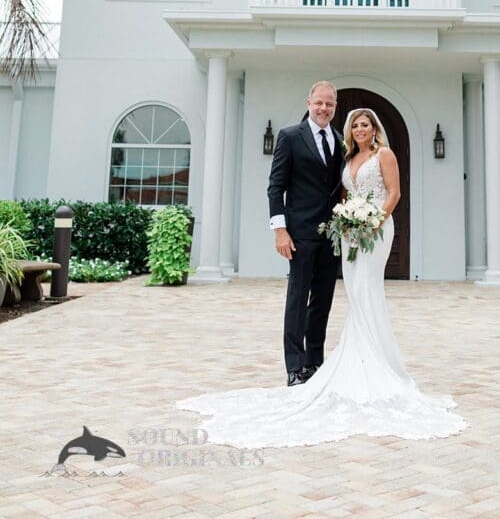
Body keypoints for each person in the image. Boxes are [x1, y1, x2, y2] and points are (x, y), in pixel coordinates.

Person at [175, 105, 467, 447]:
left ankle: (369, 364)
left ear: (374, 128)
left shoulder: (384, 154)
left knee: (365, 291)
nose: (360, 129)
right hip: (339, 233)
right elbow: (305, 190)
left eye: (365, 124)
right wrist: (304, 226)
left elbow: (394, 194)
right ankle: (305, 367)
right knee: (346, 295)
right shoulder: (342, 155)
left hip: (373, 232)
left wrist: (371, 221)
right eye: (355, 124)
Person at [267, 80, 344, 385]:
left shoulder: (340, 140)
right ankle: (295, 367)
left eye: (329, 104)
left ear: (335, 108)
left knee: (322, 300)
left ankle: (315, 361)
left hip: (331, 237)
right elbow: (275, 187)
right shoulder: (289, 137)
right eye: (319, 103)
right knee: (298, 300)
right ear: (309, 103)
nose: (324, 108)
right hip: (298, 234)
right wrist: (280, 230)